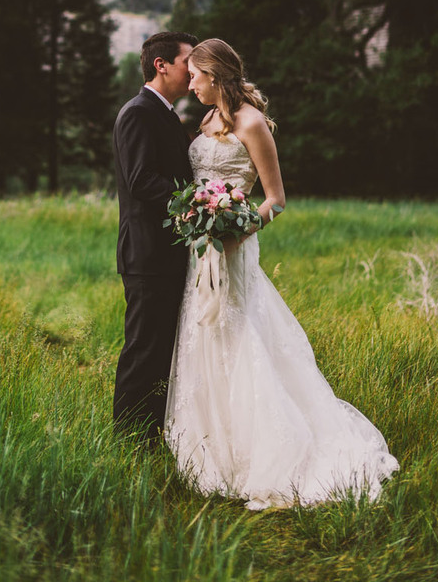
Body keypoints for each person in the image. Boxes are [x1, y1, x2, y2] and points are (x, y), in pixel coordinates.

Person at [165, 38, 399, 509]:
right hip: (202, 250)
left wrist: (238, 227)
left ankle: (266, 452)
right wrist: (196, 218)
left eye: (195, 75)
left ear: (215, 75)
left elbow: (275, 199)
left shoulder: (252, 123)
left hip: (234, 248)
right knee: (204, 335)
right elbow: (198, 184)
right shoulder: (207, 120)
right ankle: (210, 450)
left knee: (241, 335)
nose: (189, 83)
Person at [112, 30, 198, 444]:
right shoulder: (138, 112)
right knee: (144, 351)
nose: (194, 70)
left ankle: (153, 433)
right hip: (147, 255)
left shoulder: (167, 115)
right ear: (161, 64)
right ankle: (129, 440)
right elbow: (142, 180)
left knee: (163, 350)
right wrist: (199, 203)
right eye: (188, 62)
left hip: (169, 253)